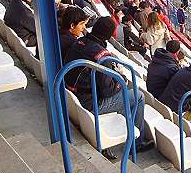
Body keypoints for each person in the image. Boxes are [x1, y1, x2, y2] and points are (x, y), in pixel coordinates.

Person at [64, 16, 153, 159]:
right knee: (138, 96)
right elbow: (108, 91)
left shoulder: (79, 42)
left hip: (74, 95)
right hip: (91, 103)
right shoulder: (101, 56)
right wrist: (120, 79)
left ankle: (118, 137)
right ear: (109, 34)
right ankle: (137, 143)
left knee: (126, 101)